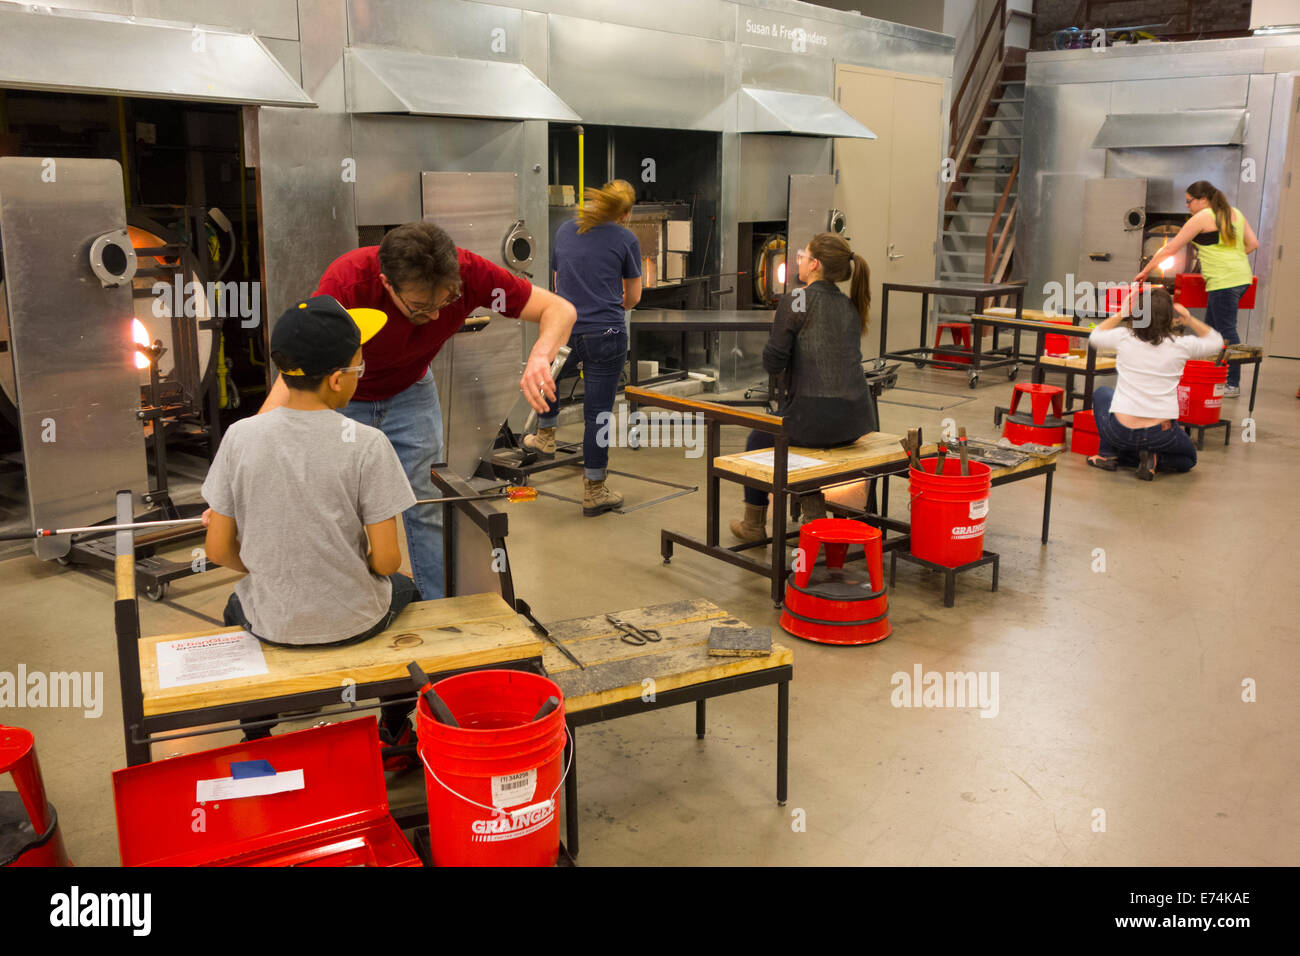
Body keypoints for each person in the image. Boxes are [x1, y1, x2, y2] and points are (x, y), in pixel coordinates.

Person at [253, 222, 577, 600]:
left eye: (445, 302)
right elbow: (297, 375)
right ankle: (345, 605)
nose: (437, 317)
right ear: (387, 284)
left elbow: (559, 310)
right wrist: (248, 456)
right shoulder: (349, 283)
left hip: (412, 391)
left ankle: (438, 611)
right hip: (344, 400)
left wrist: (541, 357)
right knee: (339, 509)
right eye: (422, 307)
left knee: (427, 505)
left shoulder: (469, 274)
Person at [202, 296, 419, 752]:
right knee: (406, 588)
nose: (361, 374)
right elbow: (386, 559)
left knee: (233, 609)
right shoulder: (368, 444)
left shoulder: (241, 436)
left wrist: (272, 568)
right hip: (356, 622)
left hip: (272, 624)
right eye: (360, 367)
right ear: (338, 380)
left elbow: (218, 550)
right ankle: (396, 728)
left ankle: (255, 736)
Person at [730, 233, 877, 541]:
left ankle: (754, 525)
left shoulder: (796, 299)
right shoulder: (850, 305)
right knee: (801, 434)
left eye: (802, 255)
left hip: (814, 420)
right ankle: (813, 510)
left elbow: (774, 362)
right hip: (856, 420)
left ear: (815, 265)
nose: (798, 260)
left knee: (758, 441)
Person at [523, 180, 642, 516]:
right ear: (626, 213)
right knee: (598, 414)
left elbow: (559, 281)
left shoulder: (564, 230)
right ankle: (594, 489)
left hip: (564, 327)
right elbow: (633, 297)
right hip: (605, 333)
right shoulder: (626, 239)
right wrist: (607, 305)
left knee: (548, 376)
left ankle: (545, 434)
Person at [1086, 286, 1223, 480]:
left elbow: (1095, 335)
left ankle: (1109, 455)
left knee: (1102, 393)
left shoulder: (1123, 338)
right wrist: (1189, 319)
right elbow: (1216, 341)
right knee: (1188, 459)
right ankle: (1148, 456)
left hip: (1119, 431)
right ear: (1170, 317)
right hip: (1160, 434)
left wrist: (1121, 313)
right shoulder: (1181, 345)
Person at [1136, 180, 1256, 397]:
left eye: (1189, 202)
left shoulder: (1202, 217)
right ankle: (1209, 376)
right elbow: (1253, 244)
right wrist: (1231, 260)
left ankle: (1232, 383)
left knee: (1226, 331)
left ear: (1203, 200)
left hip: (1224, 281)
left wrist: (1146, 270)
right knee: (1210, 329)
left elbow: (1171, 248)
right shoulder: (1235, 213)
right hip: (1242, 278)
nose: (1187, 206)